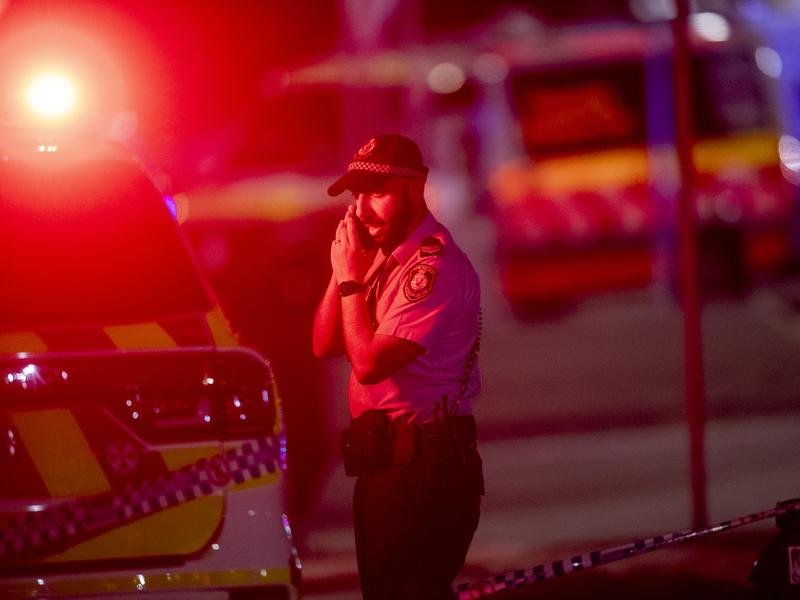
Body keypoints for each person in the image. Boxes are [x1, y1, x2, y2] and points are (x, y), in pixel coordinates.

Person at [312, 133, 484, 599]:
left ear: (415, 188)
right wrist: (341, 271)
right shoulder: (379, 260)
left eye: (378, 193)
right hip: (385, 465)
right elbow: (324, 343)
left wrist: (350, 282)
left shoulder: (433, 267)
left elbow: (368, 364)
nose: (364, 209)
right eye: (357, 195)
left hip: (427, 466)